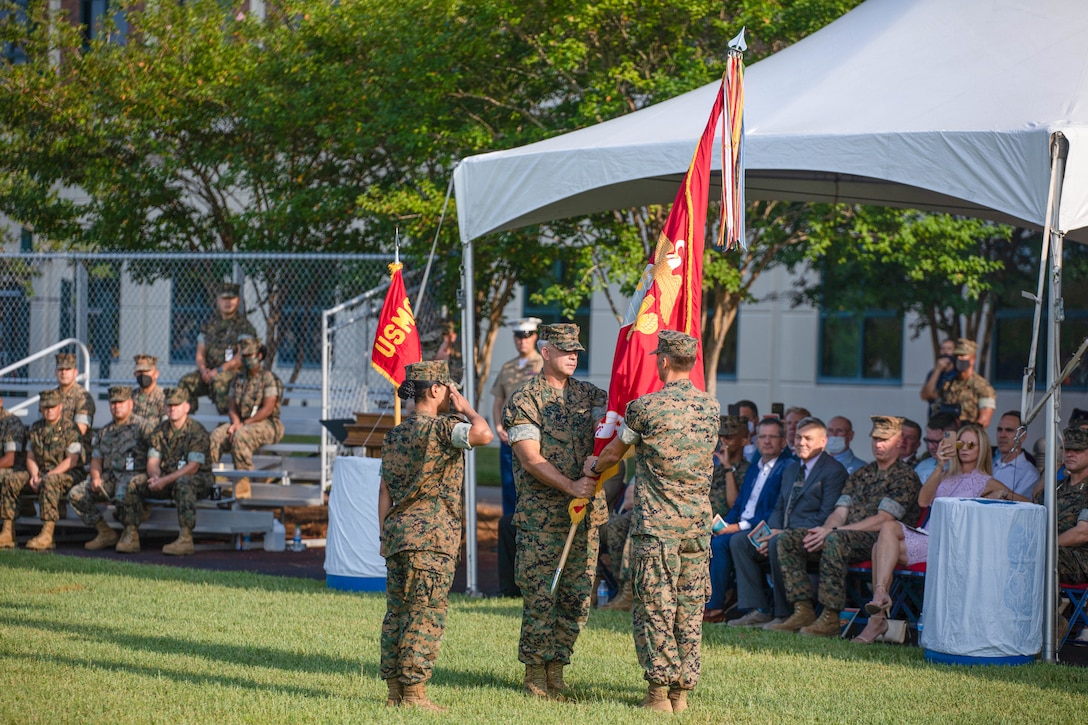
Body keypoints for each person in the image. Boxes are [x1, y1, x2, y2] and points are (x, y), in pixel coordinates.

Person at [586, 330, 719, 713]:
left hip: (658, 528)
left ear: (662, 361)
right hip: (697, 526)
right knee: (690, 606)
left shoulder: (644, 408)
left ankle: (658, 694)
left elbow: (615, 451)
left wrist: (593, 466)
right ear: (692, 363)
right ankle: (682, 694)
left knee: (656, 606)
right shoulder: (710, 408)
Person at [378, 360, 492, 711]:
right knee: (424, 614)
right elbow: (484, 434)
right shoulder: (445, 428)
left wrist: (383, 535)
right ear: (437, 390)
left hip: (398, 536)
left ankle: (395, 693)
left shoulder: (394, 434)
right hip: (431, 539)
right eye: (449, 388)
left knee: (397, 613)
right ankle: (414, 695)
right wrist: (467, 408)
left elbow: (384, 491)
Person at [503, 322, 606, 701]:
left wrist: (603, 462)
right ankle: (535, 674)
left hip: (586, 517)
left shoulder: (592, 395)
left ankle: (557, 670)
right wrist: (571, 485)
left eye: (576, 350)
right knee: (541, 597)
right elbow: (531, 459)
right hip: (542, 519)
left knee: (576, 599)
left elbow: (614, 435)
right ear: (545, 352)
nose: (572, 356)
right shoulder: (525, 399)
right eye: (564, 350)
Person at [771, 415, 922, 636]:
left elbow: (883, 519)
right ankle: (802, 608)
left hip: (880, 541)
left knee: (834, 540)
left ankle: (831, 616)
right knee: (788, 539)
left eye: (885, 440)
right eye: (875, 439)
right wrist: (825, 529)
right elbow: (840, 512)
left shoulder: (905, 476)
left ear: (899, 442)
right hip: (844, 536)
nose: (878, 445)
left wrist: (834, 532)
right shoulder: (862, 473)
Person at [853, 423, 1004, 643]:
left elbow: (1023, 501)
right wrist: (940, 465)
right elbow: (923, 501)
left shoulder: (986, 481)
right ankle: (879, 596)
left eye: (972, 444)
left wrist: (1003, 493)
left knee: (878, 548)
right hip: (927, 535)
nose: (965, 449)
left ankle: (877, 618)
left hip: (949, 543)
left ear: (982, 449)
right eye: (960, 443)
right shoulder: (945, 476)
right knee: (887, 529)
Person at [728, 417, 848, 627]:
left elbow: (826, 515)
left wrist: (780, 533)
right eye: (798, 438)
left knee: (778, 542)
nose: (801, 443)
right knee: (740, 541)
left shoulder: (833, 471)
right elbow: (780, 506)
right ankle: (759, 609)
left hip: (812, 536)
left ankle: (784, 613)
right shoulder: (792, 469)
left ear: (823, 441)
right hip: (783, 532)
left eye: (808, 439)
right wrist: (772, 530)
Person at [703, 417, 794, 623]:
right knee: (711, 537)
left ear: (783, 442)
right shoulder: (755, 467)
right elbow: (739, 506)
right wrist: (725, 524)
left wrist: (738, 527)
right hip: (741, 527)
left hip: (764, 529)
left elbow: (776, 510)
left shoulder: (788, 467)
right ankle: (706, 603)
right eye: (762, 437)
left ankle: (718, 608)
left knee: (725, 542)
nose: (767, 441)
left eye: (772, 437)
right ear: (756, 441)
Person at [115, 388, 213, 556]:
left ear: (186, 407)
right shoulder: (160, 431)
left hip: (197, 479)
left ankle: (185, 538)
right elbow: (153, 461)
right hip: (167, 479)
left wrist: (164, 481)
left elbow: (193, 467)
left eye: (177, 405)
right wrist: (155, 477)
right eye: (169, 405)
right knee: (135, 482)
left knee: (184, 483)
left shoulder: (196, 431)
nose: (172, 408)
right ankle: (130, 534)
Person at [490, 316, 543, 598]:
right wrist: (497, 425)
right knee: (510, 496)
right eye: (518, 336)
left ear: (535, 337)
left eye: (527, 336)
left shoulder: (543, 364)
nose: (522, 340)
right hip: (509, 439)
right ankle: (511, 547)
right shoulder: (509, 367)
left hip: (533, 440)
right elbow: (498, 400)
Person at [67, 386, 153, 551]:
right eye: (113, 403)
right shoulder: (105, 432)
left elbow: (156, 453)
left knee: (125, 490)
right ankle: (105, 531)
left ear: (131, 404)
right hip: (110, 476)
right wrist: (95, 476)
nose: (117, 406)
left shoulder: (143, 427)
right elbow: (96, 459)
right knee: (77, 494)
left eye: (121, 402)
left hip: (135, 475)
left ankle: (131, 533)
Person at [0, 390, 83, 550]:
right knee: (12, 479)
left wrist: (47, 476)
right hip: (40, 472)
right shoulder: (36, 428)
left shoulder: (70, 428)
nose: (49, 410)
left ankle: (47, 534)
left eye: (52, 406)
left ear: (60, 407)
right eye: (45, 407)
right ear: (40, 407)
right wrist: (34, 475)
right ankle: (7, 531)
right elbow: (30, 456)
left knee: (50, 482)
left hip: (66, 473)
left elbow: (71, 461)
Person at [208, 337, 284, 499]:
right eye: (245, 356)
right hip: (241, 423)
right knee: (216, 436)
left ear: (259, 356)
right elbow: (232, 406)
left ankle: (242, 491)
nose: (247, 359)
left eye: (250, 355)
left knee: (240, 437)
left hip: (268, 424)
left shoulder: (269, 378)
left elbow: (268, 408)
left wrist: (243, 424)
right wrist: (236, 422)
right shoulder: (238, 379)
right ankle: (206, 482)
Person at [177, 282, 257, 414]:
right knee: (186, 382)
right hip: (209, 374)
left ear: (238, 301)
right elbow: (200, 355)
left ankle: (227, 421)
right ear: (218, 300)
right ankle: (186, 424)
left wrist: (218, 370)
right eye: (224, 298)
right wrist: (203, 371)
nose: (228, 302)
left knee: (220, 381)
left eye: (232, 298)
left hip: (234, 374)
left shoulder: (244, 327)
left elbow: (240, 358)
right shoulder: (209, 325)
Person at [921, 337, 996, 427]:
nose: (959, 359)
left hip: (968, 437)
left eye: (962, 356)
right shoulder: (949, 384)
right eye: (956, 356)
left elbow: (984, 420)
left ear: (972, 359)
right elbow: (929, 397)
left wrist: (967, 436)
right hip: (949, 436)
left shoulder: (983, 387)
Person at [53, 352, 95, 466]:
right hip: (51, 448)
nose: (64, 372)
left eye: (68, 369)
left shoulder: (83, 397)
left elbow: (80, 430)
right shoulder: (51, 396)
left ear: (75, 372)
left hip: (75, 451)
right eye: (60, 369)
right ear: (56, 372)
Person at [0, 395, 29, 548]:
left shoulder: (11, 423)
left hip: (13, 469)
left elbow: (10, 460)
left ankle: (8, 531)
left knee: (6, 478)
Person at [710, 415, 751, 517]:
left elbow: (734, 505)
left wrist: (728, 467)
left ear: (743, 441)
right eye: (720, 437)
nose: (722, 442)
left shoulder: (749, 470)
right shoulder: (715, 468)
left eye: (728, 438)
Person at [992, 410, 1039, 498]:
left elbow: (1018, 507)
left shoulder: (1029, 474)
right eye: (999, 429)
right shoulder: (989, 463)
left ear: (1023, 437)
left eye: (1009, 430)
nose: (1002, 435)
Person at [914, 412, 960, 482]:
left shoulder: (966, 465)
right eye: (928, 440)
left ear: (953, 439)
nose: (930, 447)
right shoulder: (922, 467)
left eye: (937, 442)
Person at [920, 338, 957, 416]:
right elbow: (925, 395)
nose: (945, 352)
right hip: (934, 418)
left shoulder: (958, 374)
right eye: (943, 349)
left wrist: (935, 395)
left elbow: (952, 398)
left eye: (949, 349)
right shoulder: (933, 373)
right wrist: (937, 370)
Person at [132, 354, 166, 422]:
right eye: (140, 371)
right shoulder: (130, 397)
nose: (143, 374)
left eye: (147, 371)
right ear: (135, 374)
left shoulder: (164, 397)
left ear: (156, 374)